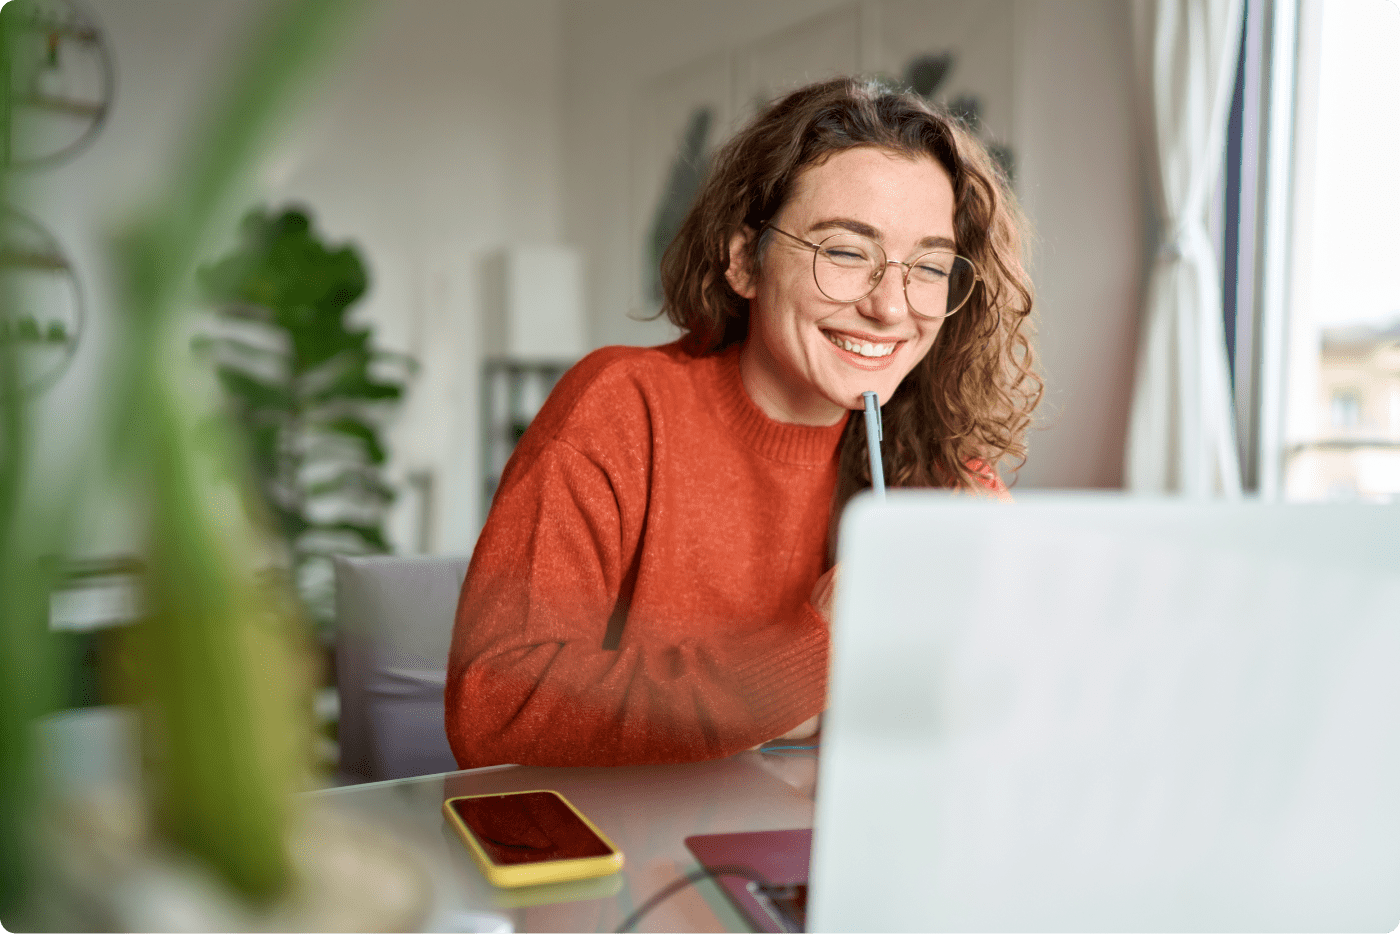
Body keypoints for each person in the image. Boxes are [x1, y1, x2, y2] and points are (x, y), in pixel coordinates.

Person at [445, 76, 1040, 768]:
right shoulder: (620, 409)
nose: (890, 306)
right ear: (742, 261)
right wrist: (813, 652)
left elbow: (1004, 708)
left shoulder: (938, 459)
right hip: (629, 859)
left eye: (929, 266)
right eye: (846, 252)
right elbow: (494, 707)